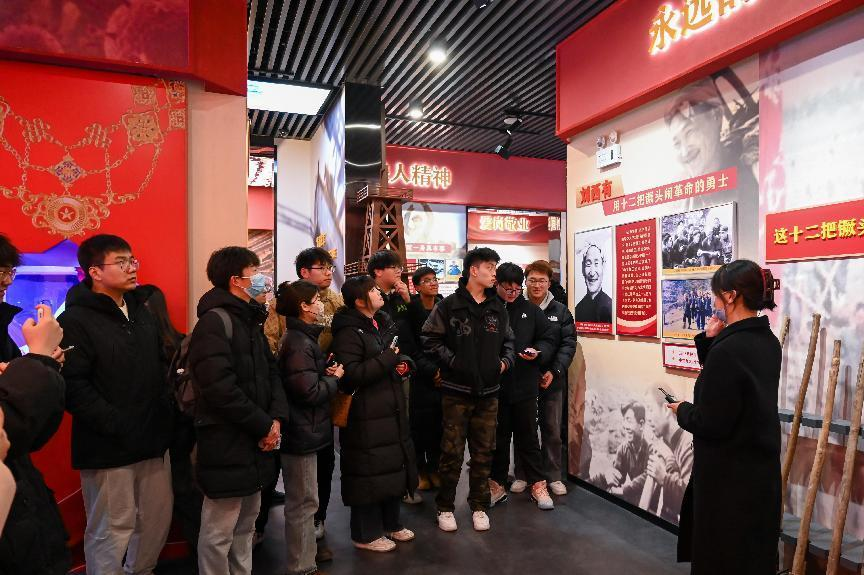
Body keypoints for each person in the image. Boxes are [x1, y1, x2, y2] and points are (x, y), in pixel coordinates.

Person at [59, 234, 174, 575]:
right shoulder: (74, 321)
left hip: (153, 439)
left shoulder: (141, 311)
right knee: (111, 528)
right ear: (95, 272)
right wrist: (117, 423)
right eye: (121, 262)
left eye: (132, 260)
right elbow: (73, 386)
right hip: (108, 444)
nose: (131, 268)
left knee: (155, 520)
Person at [668, 260, 781, 575]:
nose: (713, 299)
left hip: (728, 478)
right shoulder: (767, 341)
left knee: (722, 556)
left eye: (717, 294)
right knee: (752, 556)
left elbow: (711, 422)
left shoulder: (729, 349)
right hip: (758, 471)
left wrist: (682, 410)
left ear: (731, 296)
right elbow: (731, 388)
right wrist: (710, 340)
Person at [188, 246, 289, 575]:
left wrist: (276, 419)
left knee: (247, 526)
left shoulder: (251, 321)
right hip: (227, 441)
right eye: (255, 272)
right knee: (219, 531)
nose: (262, 278)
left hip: (257, 442)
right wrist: (263, 425)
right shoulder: (214, 323)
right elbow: (219, 388)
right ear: (236, 280)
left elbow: (271, 374)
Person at [422, 247, 515, 533]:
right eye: (490, 267)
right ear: (474, 270)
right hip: (456, 392)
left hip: (489, 393)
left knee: (484, 452)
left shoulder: (498, 307)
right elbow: (429, 338)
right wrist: (454, 362)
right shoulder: (449, 305)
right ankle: (445, 507)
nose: (494, 273)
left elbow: (509, 342)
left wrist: (504, 363)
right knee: (451, 453)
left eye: (495, 267)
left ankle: (479, 506)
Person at [330, 276, 417, 552]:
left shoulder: (382, 321)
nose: (379, 292)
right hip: (364, 412)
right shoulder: (348, 331)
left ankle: (391, 523)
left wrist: (403, 363)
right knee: (367, 470)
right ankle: (365, 534)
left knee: (392, 465)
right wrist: (389, 359)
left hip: (390, 406)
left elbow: (398, 353)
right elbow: (352, 374)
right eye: (372, 290)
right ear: (359, 301)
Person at [278, 247, 344, 548]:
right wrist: (331, 378)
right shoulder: (292, 327)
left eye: (330, 267)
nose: (329, 272)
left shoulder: (335, 301)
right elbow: (305, 388)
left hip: (319, 400)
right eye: (322, 267)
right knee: (302, 489)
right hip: (303, 408)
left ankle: (318, 522)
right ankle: (300, 556)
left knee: (323, 471)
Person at [0, 303, 70, 574]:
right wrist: (39, 360)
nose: (7, 282)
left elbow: (30, 432)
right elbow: (10, 430)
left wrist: (42, 367)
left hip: (26, 508)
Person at [140, 284, 204, 563]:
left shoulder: (142, 346)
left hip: (152, 430)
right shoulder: (180, 341)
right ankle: (200, 554)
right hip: (184, 428)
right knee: (185, 491)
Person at [489, 263, 556, 511]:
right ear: (497, 285)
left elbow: (548, 339)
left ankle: (538, 484)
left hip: (525, 385)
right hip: (494, 387)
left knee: (528, 437)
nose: (512, 293)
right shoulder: (488, 309)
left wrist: (538, 352)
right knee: (498, 439)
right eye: (508, 289)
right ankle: (496, 485)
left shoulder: (531, 311)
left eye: (517, 289)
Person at [514, 260, 577, 497]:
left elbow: (568, 344)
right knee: (523, 428)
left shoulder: (560, 311)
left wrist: (555, 371)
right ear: (526, 282)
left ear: (549, 283)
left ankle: (553, 475)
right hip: (522, 379)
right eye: (532, 280)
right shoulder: (516, 307)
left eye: (542, 280)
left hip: (552, 379)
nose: (537, 285)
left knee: (552, 429)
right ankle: (523, 474)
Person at [366, 250, 419, 504]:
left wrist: (409, 299)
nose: (399, 270)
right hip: (380, 372)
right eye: (393, 266)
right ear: (378, 271)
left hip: (404, 366)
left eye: (399, 266)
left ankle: (405, 483)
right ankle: (390, 487)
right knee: (387, 429)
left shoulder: (398, 296)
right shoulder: (368, 297)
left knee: (404, 426)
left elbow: (417, 327)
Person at [405, 266, 444, 491]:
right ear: (417, 286)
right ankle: (419, 471)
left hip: (443, 375)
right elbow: (411, 346)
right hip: (420, 376)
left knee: (440, 426)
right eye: (427, 280)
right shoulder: (411, 309)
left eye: (435, 279)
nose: (433, 283)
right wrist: (431, 371)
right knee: (419, 427)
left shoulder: (444, 306)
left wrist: (442, 371)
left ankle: (435, 468)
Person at [589, 401, 650, 506]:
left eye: (629, 420)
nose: (625, 426)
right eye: (624, 420)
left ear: (641, 424)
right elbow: (616, 475)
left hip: (650, 505)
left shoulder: (651, 448)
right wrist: (610, 477)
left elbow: (647, 476)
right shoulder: (623, 449)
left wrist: (624, 490)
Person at [646, 389, 693, 524]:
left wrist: (663, 478)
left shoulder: (688, 443)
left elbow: (688, 495)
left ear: (666, 409)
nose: (647, 417)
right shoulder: (661, 443)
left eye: (650, 409)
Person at [574, 244, 612, 324]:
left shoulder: (611, 307)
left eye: (596, 263)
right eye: (588, 264)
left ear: (603, 266)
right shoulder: (578, 309)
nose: (592, 273)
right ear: (583, 269)